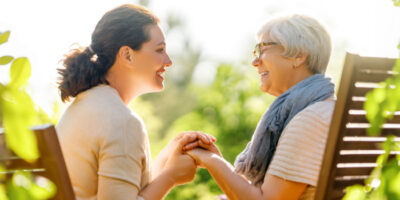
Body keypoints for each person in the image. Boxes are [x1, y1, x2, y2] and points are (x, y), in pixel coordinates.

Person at [56, 4, 215, 200]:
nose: (168, 60)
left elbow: (121, 192)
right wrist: (170, 176)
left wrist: (165, 161)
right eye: (160, 50)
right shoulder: (122, 122)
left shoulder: (83, 105)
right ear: (127, 55)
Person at [184, 14, 335, 200]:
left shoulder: (310, 119)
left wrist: (210, 161)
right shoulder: (327, 111)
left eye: (263, 48)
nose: (255, 62)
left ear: (298, 55)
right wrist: (219, 161)